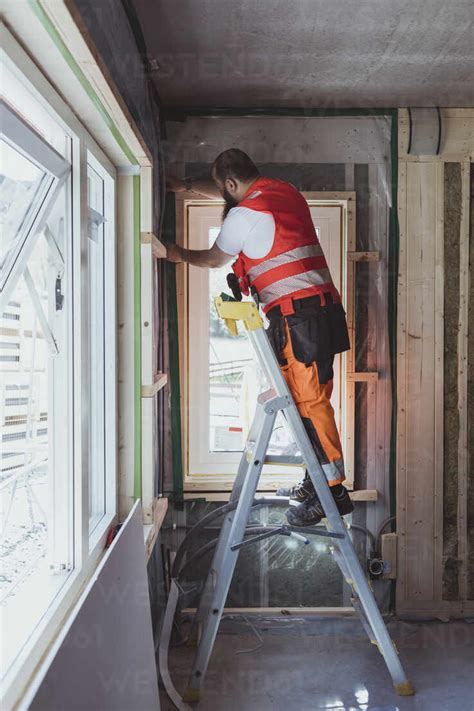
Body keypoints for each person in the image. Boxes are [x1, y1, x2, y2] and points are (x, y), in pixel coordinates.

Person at [165, 148, 353, 526]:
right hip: (320, 313)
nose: (223, 198)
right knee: (311, 399)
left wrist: (175, 252)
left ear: (232, 185)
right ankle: (315, 479)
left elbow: (216, 259)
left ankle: (332, 490)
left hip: (297, 317)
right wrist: (186, 186)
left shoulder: (243, 214)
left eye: (223, 191)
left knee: (309, 402)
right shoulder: (284, 191)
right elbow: (231, 193)